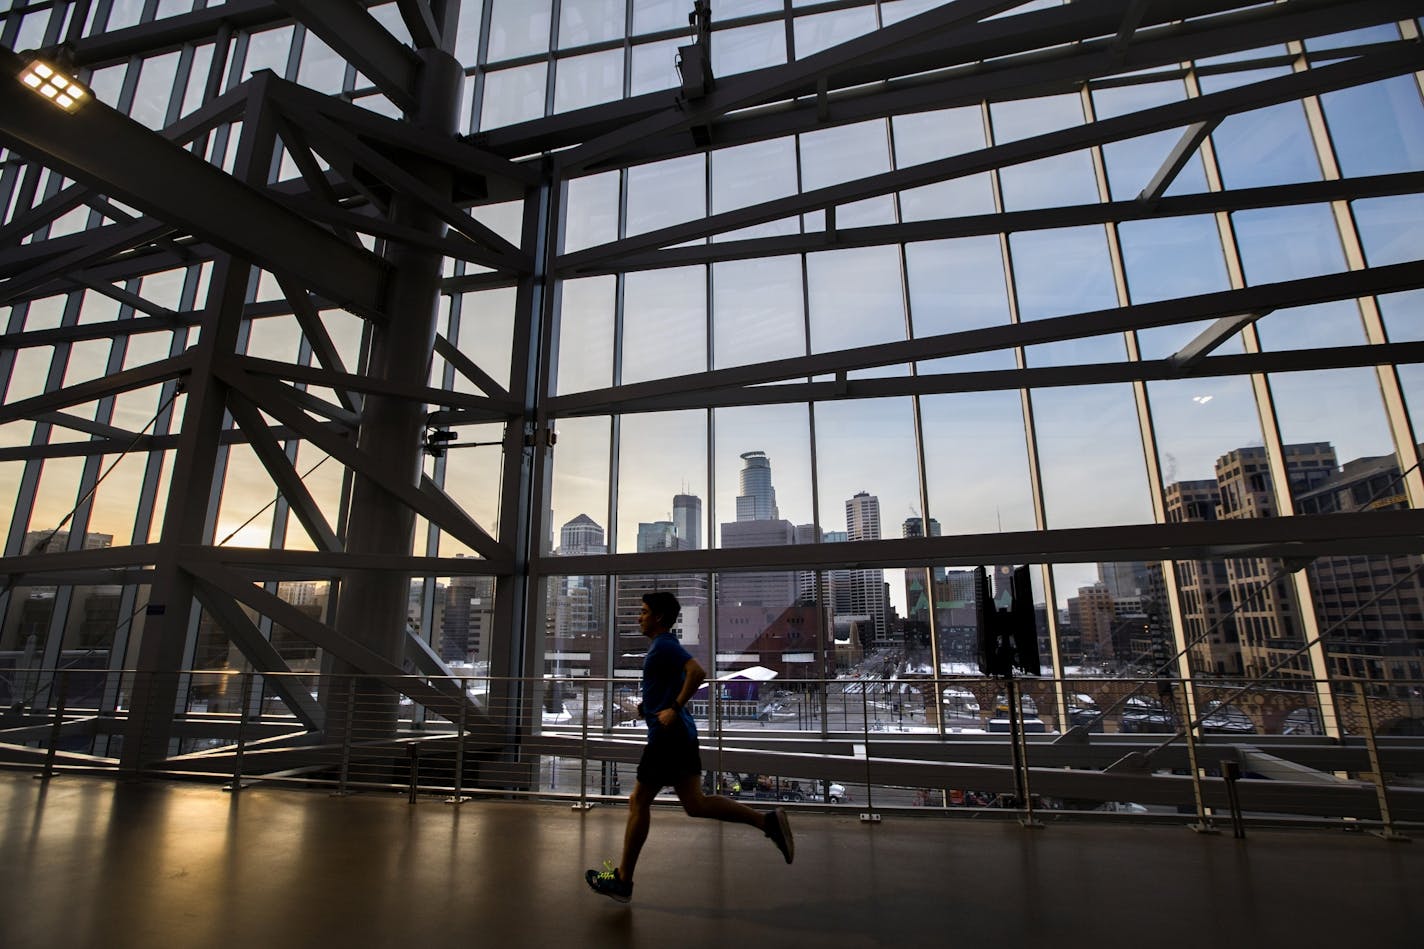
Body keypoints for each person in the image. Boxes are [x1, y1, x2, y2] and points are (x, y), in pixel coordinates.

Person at [586, 590, 793, 903]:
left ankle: (623, 880)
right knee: (695, 804)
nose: (638, 617)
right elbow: (666, 687)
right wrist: (649, 708)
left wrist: (674, 706)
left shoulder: (665, 645)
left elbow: (697, 672)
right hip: (680, 736)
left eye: (643, 612)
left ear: (658, 617)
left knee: (638, 802)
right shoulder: (660, 647)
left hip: (668, 739)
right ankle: (767, 822)